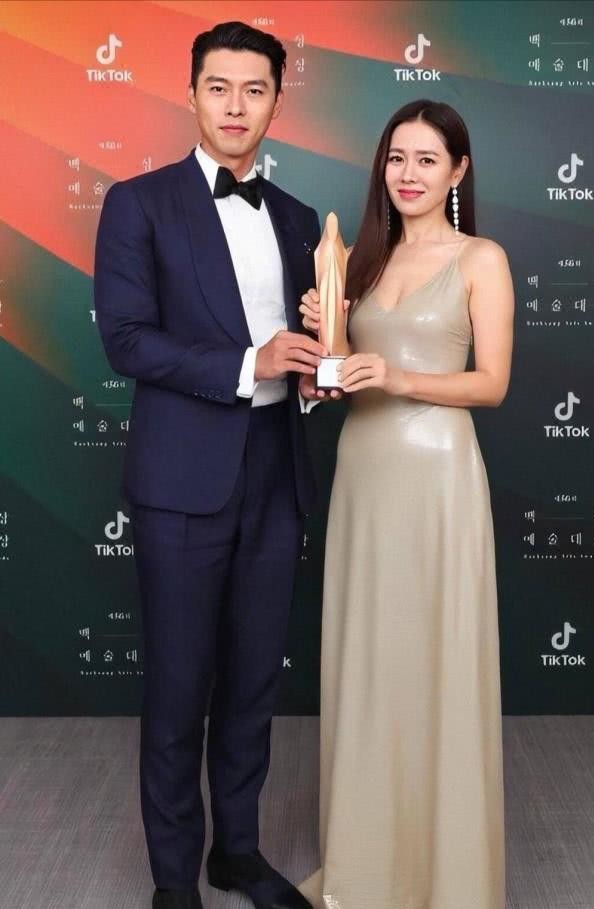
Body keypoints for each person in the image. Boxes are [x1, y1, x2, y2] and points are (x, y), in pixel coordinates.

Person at [94, 20, 323, 909]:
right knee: (178, 683)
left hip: (275, 471)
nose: (235, 106)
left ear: (275, 101)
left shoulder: (298, 218)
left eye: (254, 89)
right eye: (218, 87)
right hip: (182, 479)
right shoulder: (138, 203)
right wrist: (247, 364)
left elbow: (307, 351)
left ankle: (238, 850)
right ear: (190, 93)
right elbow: (125, 339)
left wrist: (314, 373)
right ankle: (171, 878)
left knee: (254, 679)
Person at [297, 99, 514, 909]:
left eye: (427, 159)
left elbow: (491, 384)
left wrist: (397, 376)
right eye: (396, 157)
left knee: (436, 661)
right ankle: (367, 867)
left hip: (437, 477)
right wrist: (328, 345)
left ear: (458, 170)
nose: (408, 174)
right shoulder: (358, 260)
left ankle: (444, 876)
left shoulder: (480, 258)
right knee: (371, 663)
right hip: (365, 474)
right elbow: (338, 382)